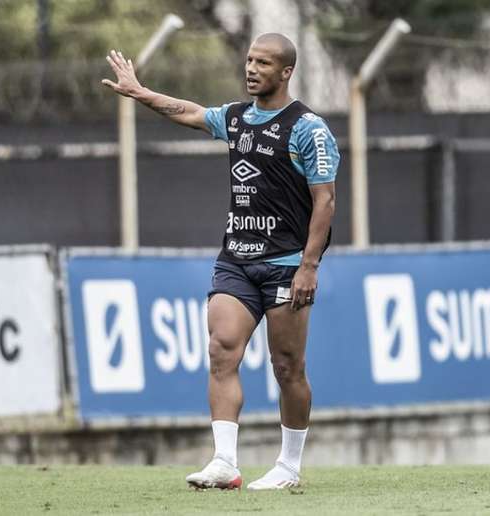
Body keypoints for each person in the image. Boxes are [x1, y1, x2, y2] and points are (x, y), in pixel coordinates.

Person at [102, 32, 338, 491]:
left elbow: (325, 201)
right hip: (236, 259)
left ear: (286, 72)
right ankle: (224, 462)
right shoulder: (236, 118)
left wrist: (309, 265)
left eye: (263, 63)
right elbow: (190, 111)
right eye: (249, 60)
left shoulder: (308, 129)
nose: (252, 69)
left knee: (287, 366)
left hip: (287, 263)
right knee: (220, 349)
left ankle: (288, 467)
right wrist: (140, 91)